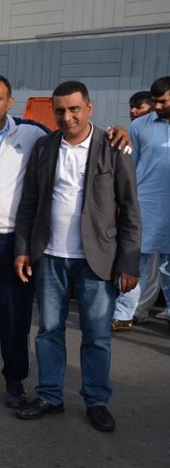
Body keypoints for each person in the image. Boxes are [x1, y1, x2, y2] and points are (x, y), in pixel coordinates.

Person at [0, 75, 131, 408]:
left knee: (18, 319)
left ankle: (17, 382)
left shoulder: (32, 135)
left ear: (10, 102)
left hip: (16, 242)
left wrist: (119, 131)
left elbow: (75, 136)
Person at [13, 80, 140, 433]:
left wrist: (129, 262)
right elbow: (29, 203)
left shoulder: (113, 147)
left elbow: (130, 210)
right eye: (60, 111)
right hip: (50, 257)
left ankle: (96, 401)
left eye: (74, 109)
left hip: (96, 260)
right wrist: (22, 250)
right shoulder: (44, 147)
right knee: (48, 332)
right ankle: (50, 395)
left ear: (89, 108)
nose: (67, 117)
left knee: (96, 335)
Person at [111, 77, 170, 330]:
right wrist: (121, 200)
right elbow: (130, 167)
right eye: (155, 101)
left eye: (163, 101)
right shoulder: (139, 126)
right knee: (135, 260)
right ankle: (124, 314)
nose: (158, 106)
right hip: (145, 203)